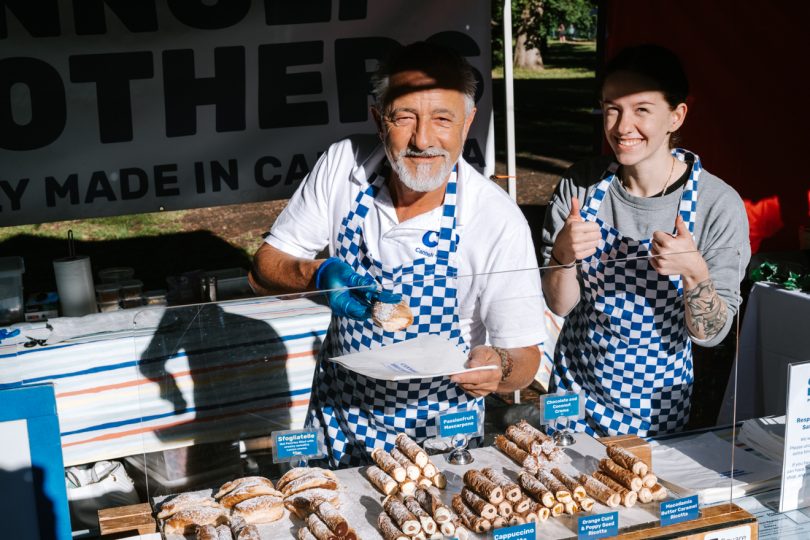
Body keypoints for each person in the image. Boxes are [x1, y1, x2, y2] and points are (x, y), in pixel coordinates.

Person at [250, 42, 547, 467]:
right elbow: (263, 270)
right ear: (378, 119)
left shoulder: (495, 220)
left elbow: (525, 360)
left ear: (468, 123)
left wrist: (496, 365)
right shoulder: (343, 168)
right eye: (404, 117)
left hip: (441, 443)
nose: (422, 139)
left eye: (442, 119)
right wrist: (317, 273)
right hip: (339, 422)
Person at [540, 44, 750, 437]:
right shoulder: (580, 187)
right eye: (612, 108)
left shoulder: (717, 204)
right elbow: (560, 304)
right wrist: (564, 254)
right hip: (573, 390)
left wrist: (695, 273)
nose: (621, 127)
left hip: (656, 403)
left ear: (676, 115)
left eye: (641, 110)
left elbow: (711, 335)